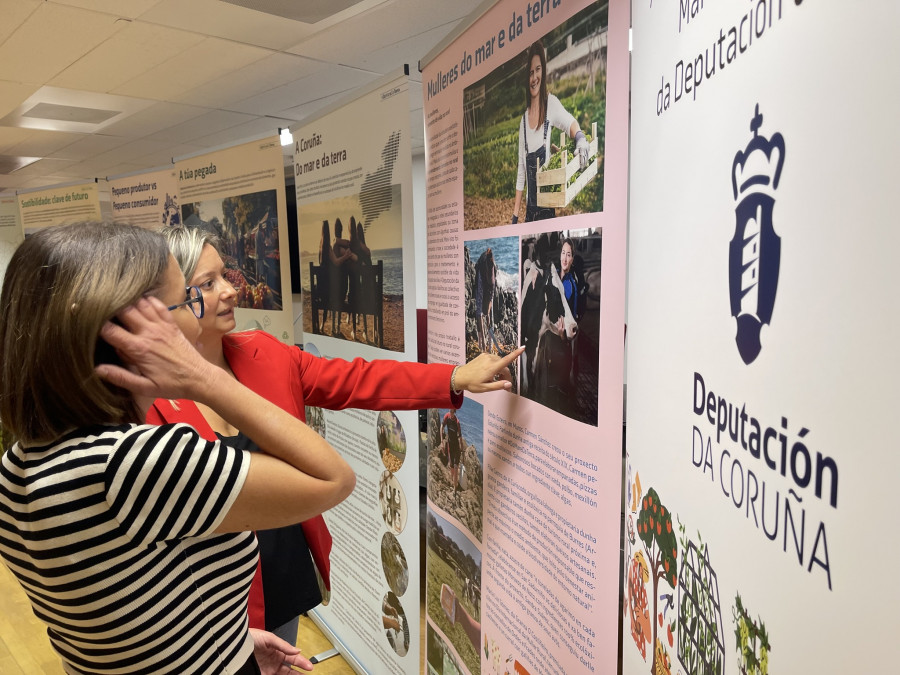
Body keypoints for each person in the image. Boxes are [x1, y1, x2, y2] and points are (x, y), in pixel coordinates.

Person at [0, 221, 356, 674]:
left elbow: (121, 619)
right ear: (126, 330)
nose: (198, 314)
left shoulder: (20, 465)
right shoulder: (131, 464)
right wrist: (204, 378)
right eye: (187, 299)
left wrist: (227, 644)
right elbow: (332, 479)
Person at [152, 225, 523, 646]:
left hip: (283, 581)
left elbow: (358, 380)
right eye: (208, 283)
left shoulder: (266, 354)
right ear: (174, 299)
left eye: (226, 276)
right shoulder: (147, 404)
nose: (230, 291)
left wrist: (454, 377)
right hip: (207, 609)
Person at [512, 40, 590, 223]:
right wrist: (515, 216)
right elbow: (521, 170)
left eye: (537, 70)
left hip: (547, 212)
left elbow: (570, 122)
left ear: (543, 71)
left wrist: (580, 138)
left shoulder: (551, 104)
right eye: (530, 73)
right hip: (529, 213)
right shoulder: (523, 121)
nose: (534, 78)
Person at [318, 219, 351, 335]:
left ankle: (323, 324)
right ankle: (336, 326)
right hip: (328, 292)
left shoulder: (321, 247)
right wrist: (346, 256)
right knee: (337, 294)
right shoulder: (330, 246)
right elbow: (336, 262)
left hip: (320, 291)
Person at [441, 407, 464, 500]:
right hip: (450, 446)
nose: (450, 413)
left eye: (452, 411)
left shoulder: (457, 422)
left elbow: (460, 438)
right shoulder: (447, 417)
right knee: (451, 469)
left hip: (456, 448)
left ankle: (454, 490)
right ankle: (455, 483)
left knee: (455, 467)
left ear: (454, 412)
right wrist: (442, 441)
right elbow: (441, 427)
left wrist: (462, 449)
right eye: (450, 411)